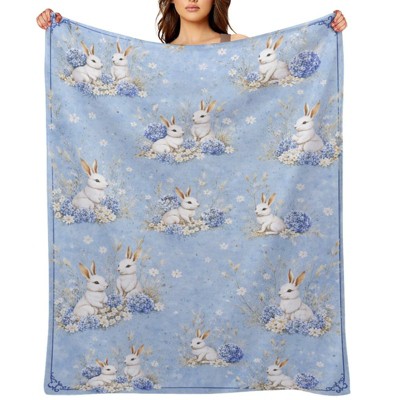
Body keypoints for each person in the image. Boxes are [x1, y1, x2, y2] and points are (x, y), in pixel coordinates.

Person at [36, 1, 347, 44]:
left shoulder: (238, 45)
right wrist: (61, 31)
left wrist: (326, 32)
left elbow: (284, 73)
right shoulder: (157, 58)